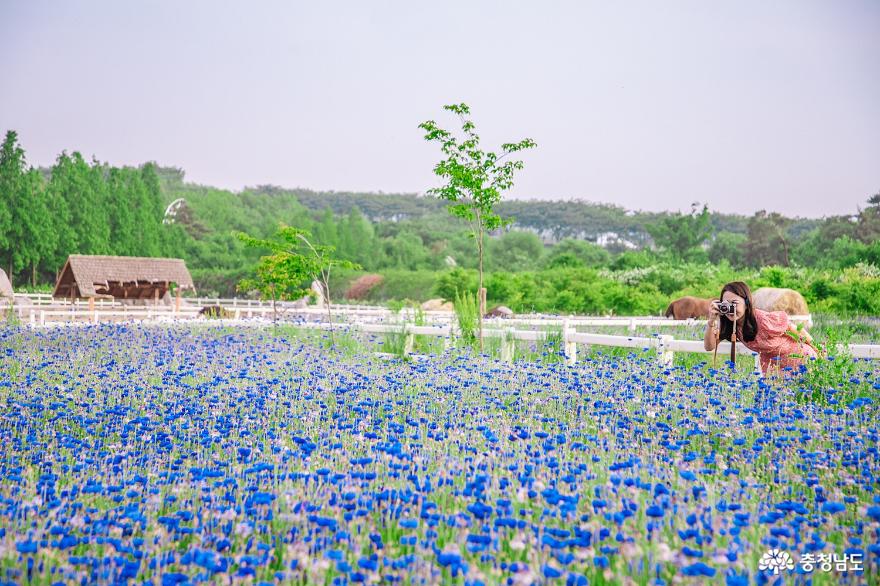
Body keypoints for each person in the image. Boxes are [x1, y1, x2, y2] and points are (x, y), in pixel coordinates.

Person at [703, 281, 820, 377]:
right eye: (726, 304)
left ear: (746, 302)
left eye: (734, 303)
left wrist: (819, 351)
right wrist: (711, 321)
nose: (730, 309)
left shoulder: (762, 319)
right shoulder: (730, 325)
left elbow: (797, 330)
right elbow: (709, 346)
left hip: (800, 359)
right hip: (773, 367)